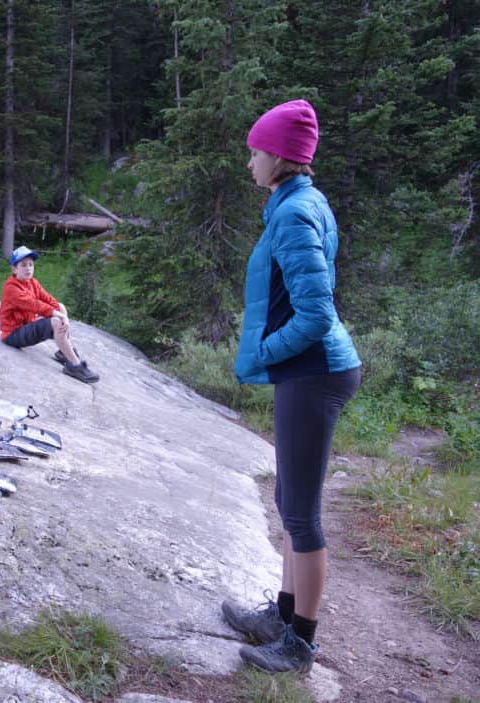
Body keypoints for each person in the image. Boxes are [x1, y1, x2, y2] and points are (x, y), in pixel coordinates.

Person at [221, 99, 362, 674]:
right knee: (289, 503)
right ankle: (282, 614)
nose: (250, 160)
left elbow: (315, 315)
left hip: (314, 371)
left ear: (278, 155)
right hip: (308, 371)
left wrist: (261, 354)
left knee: (301, 514)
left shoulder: (296, 213)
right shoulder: (294, 203)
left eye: (255, 150)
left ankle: (300, 643)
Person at [0, 245, 99, 384]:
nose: (28, 268)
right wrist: (60, 316)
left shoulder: (33, 282)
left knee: (60, 307)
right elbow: (34, 304)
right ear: (14, 269)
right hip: (12, 335)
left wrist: (62, 313)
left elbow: (49, 300)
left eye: (30, 264)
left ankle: (65, 351)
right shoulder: (11, 288)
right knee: (55, 321)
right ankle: (75, 366)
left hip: (26, 326)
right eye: (23, 265)